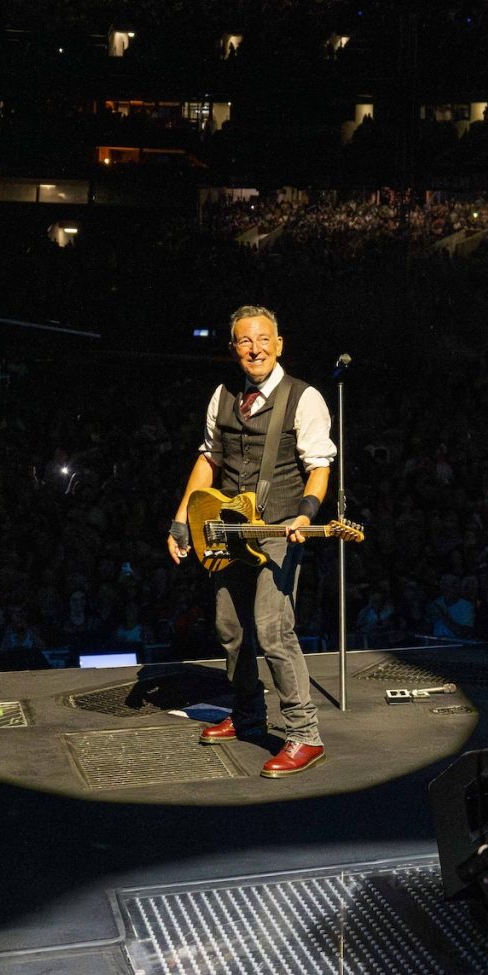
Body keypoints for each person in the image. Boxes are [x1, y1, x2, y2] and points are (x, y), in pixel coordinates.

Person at [167, 306, 336, 776]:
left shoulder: (304, 398)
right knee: (229, 627)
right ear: (233, 349)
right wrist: (182, 519)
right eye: (245, 341)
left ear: (279, 344)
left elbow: (319, 466)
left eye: (264, 340)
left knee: (272, 627)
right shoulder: (222, 396)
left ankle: (304, 734)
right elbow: (208, 460)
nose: (255, 348)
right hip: (228, 526)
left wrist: (305, 513)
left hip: (280, 528)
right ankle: (246, 715)